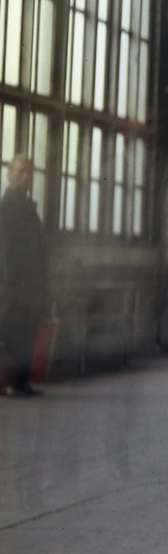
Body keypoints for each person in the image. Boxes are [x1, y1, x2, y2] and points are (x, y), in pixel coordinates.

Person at [0, 155, 49, 397]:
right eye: (20, 172)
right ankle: (8, 383)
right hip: (12, 287)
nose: (25, 177)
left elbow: (39, 250)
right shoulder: (6, 209)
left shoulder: (30, 210)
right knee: (11, 334)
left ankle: (21, 382)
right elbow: (5, 251)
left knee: (28, 333)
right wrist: (8, 286)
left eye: (28, 172)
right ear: (9, 176)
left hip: (30, 286)